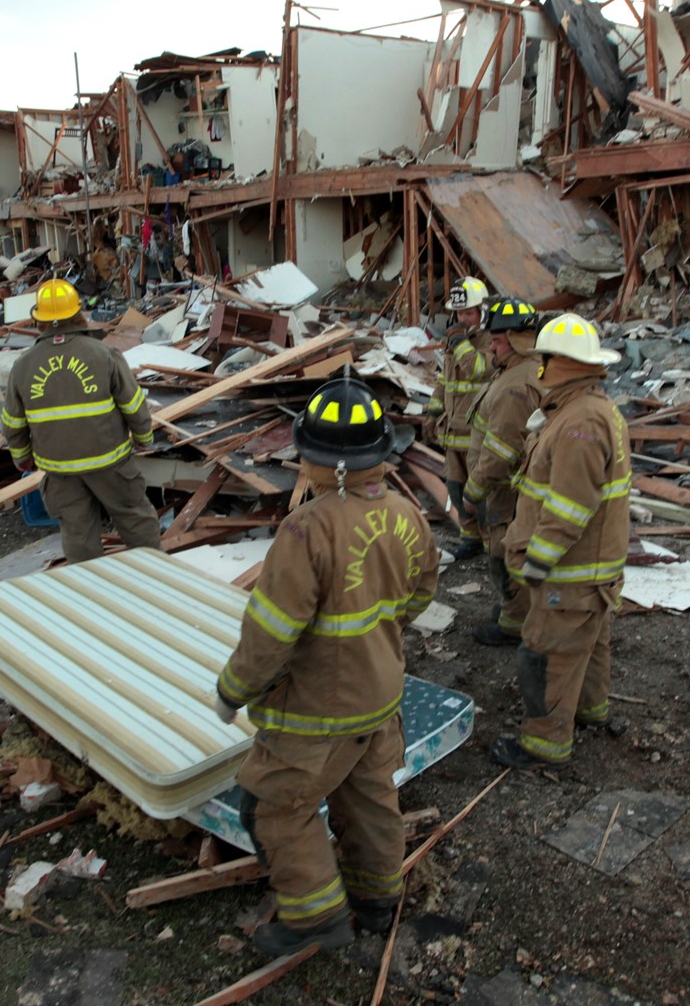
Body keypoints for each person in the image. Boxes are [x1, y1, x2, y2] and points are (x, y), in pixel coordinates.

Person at [215, 378, 438, 956]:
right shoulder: (407, 513)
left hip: (318, 710)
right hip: (381, 695)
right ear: (380, 451)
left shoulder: (307, 529)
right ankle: (378, 899)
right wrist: (375, 639)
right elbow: (419, 594)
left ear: (312, 455)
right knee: (368, 800)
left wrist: (233, 690)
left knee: (275, 807)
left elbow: (271, 633)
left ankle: (316, 918)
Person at [489, 314, 632, 770]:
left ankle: (544, 742)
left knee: (546, 653)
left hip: (569, 574)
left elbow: (571, 505)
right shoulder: (589, 408)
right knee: (588, 643)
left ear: (562, 364)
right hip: (592, 572)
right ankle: (590, 710)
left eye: (545, 359)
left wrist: (537, 561)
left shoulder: (579, 423)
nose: (539, 367)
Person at [1, 279, 161, 563]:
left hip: (60, 469)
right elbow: (133, 403)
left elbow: (13, 421)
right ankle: (155, 574)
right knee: (135, 520)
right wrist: (144, 438)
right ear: (78, 313)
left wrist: (21, 456)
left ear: (39, 319)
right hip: (110, 461)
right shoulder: (103, 354)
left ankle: (88, 586)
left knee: (78, 534)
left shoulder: (23, 365)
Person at [459, 300, 544, 646]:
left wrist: (473, 491)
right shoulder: (514, 370)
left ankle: (514, 624)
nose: (491, 348)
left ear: (518, 339)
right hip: (506, 489)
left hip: (506, 492)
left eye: (497, 341)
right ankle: (514, 609)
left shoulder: (516, 385)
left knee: (506, 555)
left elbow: (501, 450)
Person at [426, 277, 493, 559]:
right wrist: (433, 412)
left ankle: (492, 544)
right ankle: (470, 539)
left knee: (482, 493)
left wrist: (460, 342)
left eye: (468, 313)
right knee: (456, 489)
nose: (462, 319)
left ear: (483, 312)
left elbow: (478, 370)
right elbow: (445, 379)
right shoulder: (456, 342)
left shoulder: (493, 340)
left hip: (478, 435)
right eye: (459, 313)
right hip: (453, 431)